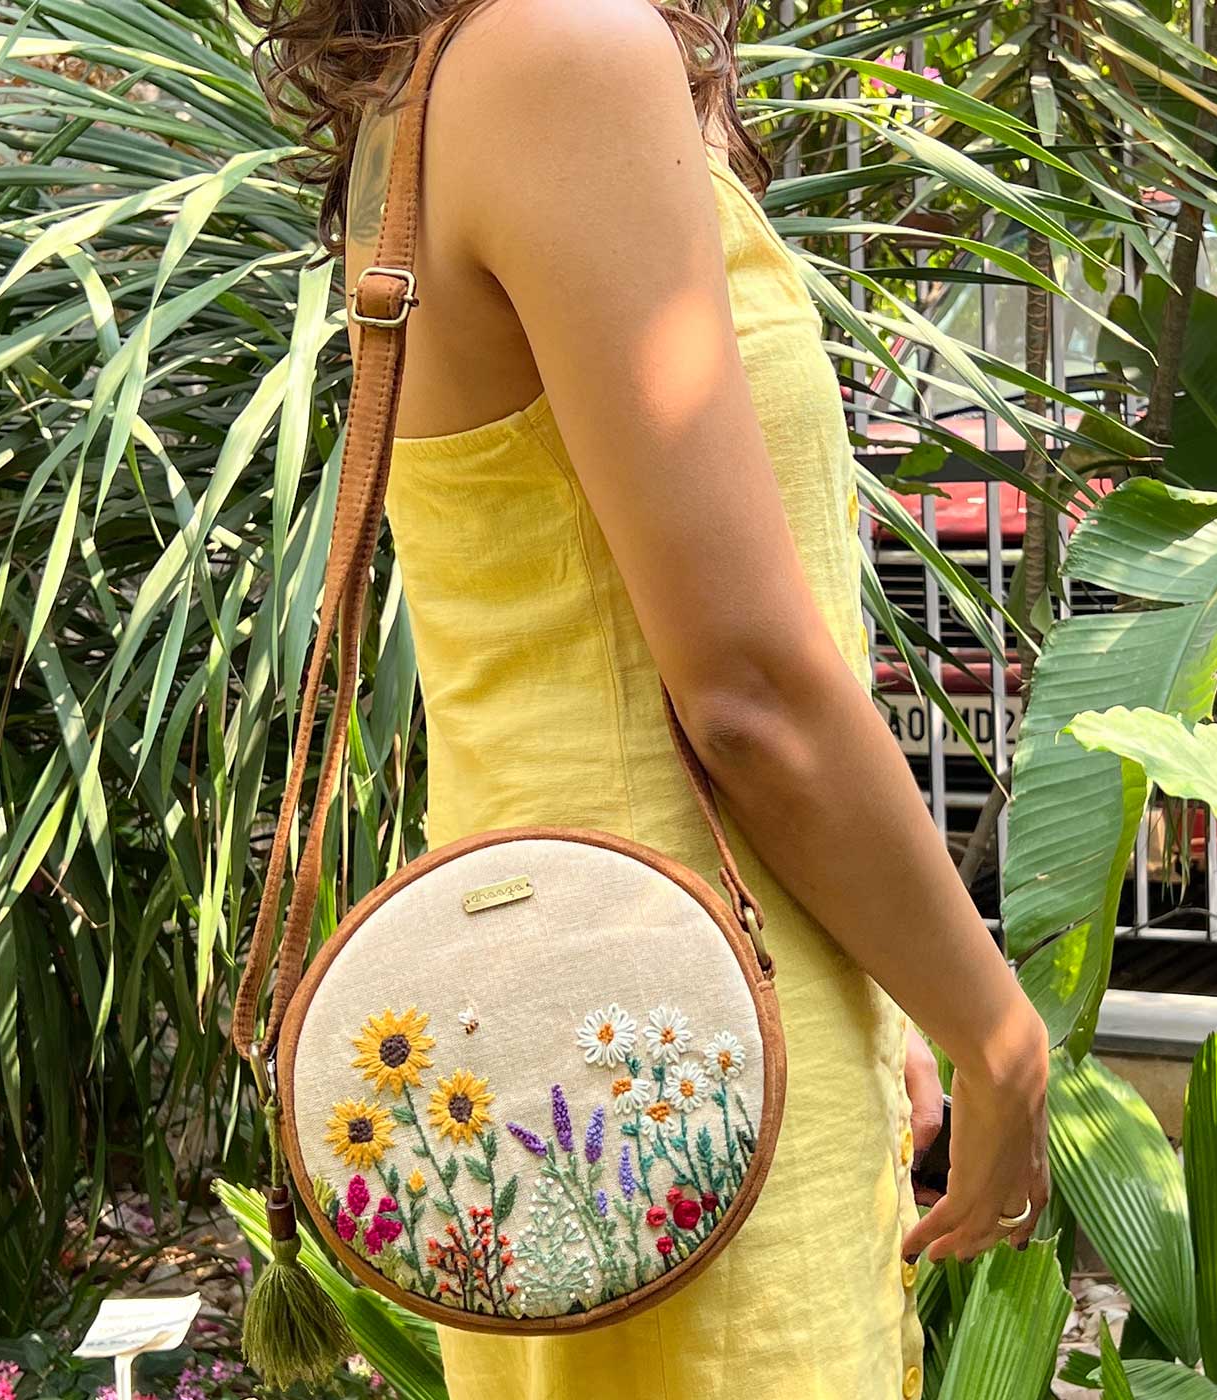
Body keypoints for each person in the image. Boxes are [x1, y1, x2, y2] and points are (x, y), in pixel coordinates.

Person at [236, 0, 1051, 1395]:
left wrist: (881, 989)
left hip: (595, 1011)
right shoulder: (563, 51)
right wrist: (1000, 1034)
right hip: (660, 1030)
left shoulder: (462, 73)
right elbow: (746, 691)